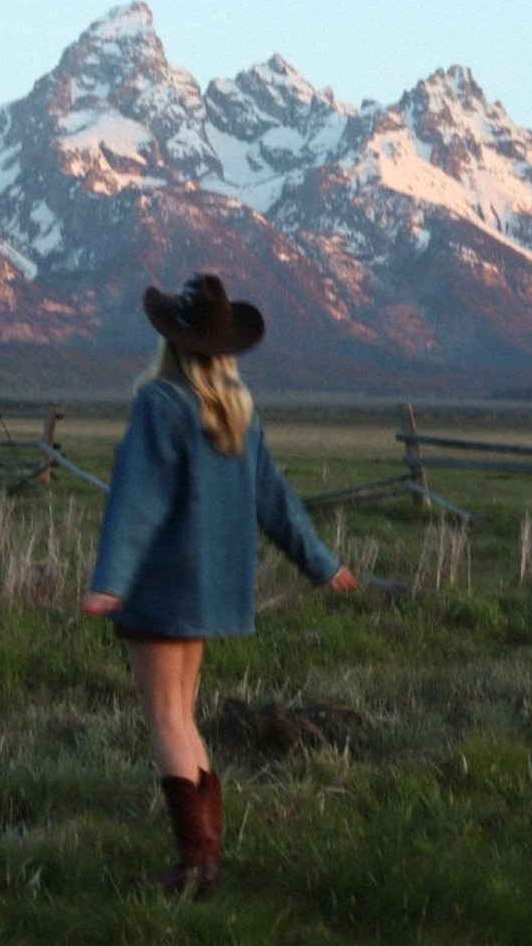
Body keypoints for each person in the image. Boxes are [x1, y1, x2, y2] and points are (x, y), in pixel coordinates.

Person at [81, 273, 359, 897]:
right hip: (209, 591)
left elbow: (138, 501)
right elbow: (276, 502)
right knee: (185, 717)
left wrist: (110, 582)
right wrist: (323, 563)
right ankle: (205, 862)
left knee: (166, 719)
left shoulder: (160, 405)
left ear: (174, 344)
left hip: (158, 587)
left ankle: (195, 868)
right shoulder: (237, 414)